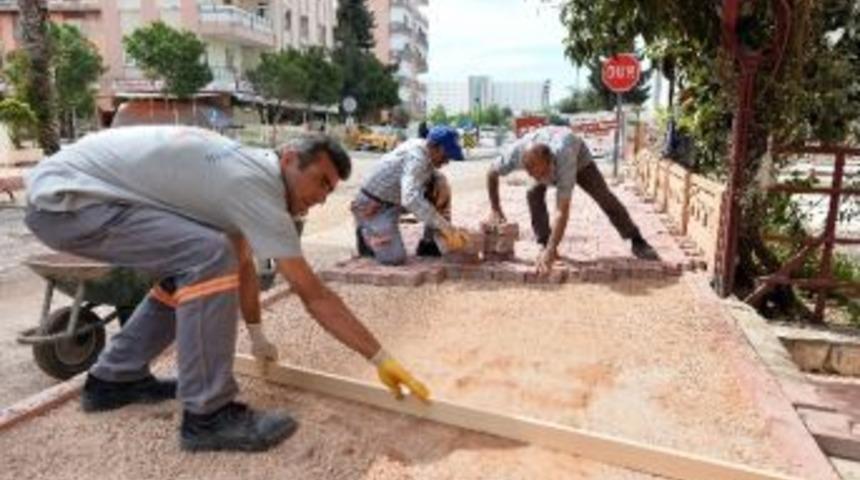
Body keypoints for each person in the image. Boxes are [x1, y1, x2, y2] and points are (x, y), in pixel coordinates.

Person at [24, 126, 429, 452]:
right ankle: (208, 416)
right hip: (70, 201)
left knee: (203, 259)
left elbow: (241, 263)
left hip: (69, 194)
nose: (321, 198)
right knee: (206, 254)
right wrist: (381, 358)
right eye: (319, 181)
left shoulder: (241, 177)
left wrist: (256, 335)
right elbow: (313, 293)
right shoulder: (257, 187)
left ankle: (114, 380)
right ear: (289, 158)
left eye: (330, 190)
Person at [486, 126, 659, 274]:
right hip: (544, 149)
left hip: (580, 159)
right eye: (533, 174)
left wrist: (552, 249)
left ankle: (637, 240)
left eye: (543, 174)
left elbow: (561, 211)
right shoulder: (516, 154)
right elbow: (491, 173)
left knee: (603, 196)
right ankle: (544, 242)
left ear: (550, 163)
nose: (541, 178)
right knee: (533, 192)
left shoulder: (564, 156)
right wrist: (495, 208)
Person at [353, 126, 470, 265]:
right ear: (434, 146)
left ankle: (430, 243)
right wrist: (446, 228)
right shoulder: (416, 158)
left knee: (439, 183)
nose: (447, 161)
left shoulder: (426, 150)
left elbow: (413, 194)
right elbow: (411, 199)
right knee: (394, 258)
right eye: (445, 156)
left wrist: (444, 228)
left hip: (395, 199)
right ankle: (366, 233)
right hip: (373, 206)